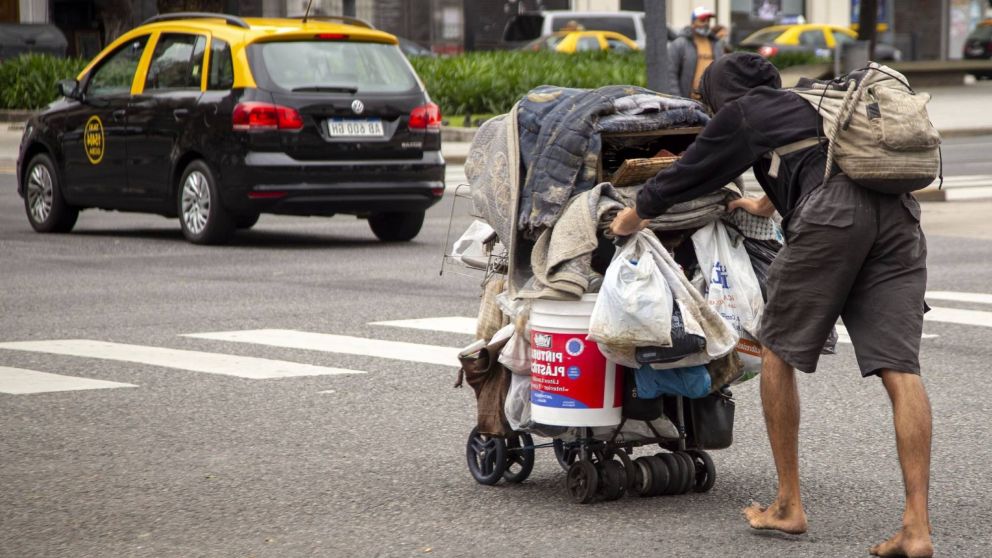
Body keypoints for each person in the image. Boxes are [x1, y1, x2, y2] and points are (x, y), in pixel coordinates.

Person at [610, 53, 933, 558]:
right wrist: (763, 203)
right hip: (898, 217)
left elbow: (685, 175)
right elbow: (815, 160)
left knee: (776, 351)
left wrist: (631, 218)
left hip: (833, 217)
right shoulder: (809, 102)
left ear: (719, 95)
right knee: (900, 368)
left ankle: (788, 505)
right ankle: (916, 528)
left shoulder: (743, 111)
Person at [667, 6, 725, 100]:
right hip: (688, 101)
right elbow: (671, 74)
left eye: (708, 20)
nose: (706, 24)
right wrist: (678, 99)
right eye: (702, 20)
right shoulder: (680, 44)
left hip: (711, 101)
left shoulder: (716, 44)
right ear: (693, 23)